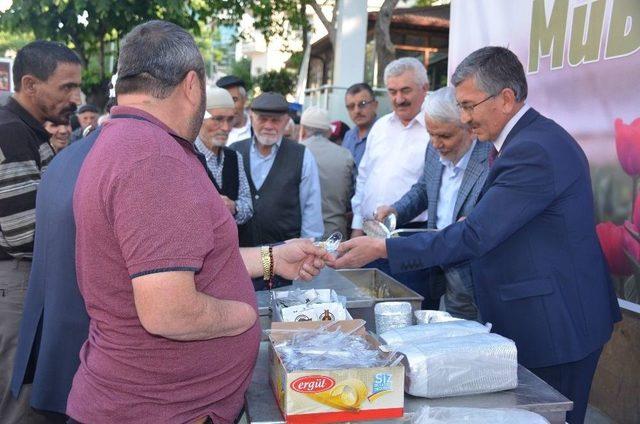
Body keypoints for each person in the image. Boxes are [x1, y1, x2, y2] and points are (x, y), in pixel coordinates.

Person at [332, 46, 621, 424]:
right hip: (543, 316)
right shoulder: (523, 141)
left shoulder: (532, 150)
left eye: (469, 106)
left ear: (505, 98)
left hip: (557, 325)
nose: (465, 119)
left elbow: (476, 235)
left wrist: (383, 247)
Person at [67, 20, 329, 423]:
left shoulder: (130, 142)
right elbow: (169, 311)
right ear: (192, 85)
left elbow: (189, 261)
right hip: (161, 410)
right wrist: (244, 316)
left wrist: (274, 258)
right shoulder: (152, 158)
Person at [0, 40, 81, 424]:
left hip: (27, 282)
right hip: (18, 286)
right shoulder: (12, 133)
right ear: (30, 84)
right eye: (66, 86)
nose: (75, 96)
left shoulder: (26, 130)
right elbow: (25, 234)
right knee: (23, 402)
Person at [374, 87, 491, 318]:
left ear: (470, 130)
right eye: (431, 134)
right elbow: (424, 189)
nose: (436, 143)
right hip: (440, 269)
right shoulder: (434, 148)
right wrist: (396, 210)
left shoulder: (489, 159)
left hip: (476, 276)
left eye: (445, 136)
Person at [10, 128, 101, 422]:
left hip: (58, 319)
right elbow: (21, 232)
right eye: (65, 88)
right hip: (80, 324)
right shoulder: (105, 157)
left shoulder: (67, 157)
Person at [230, 92, 324, 252]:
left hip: (285, 258)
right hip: (241, 257)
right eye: (262, 119)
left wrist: (308, 250)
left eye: (275, 120)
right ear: (252, 118)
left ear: (286, 121)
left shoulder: (302, 156)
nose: (268, 126)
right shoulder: (234, 151)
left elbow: (311, 209)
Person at [350, 58, 430, 238]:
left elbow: (430, 187)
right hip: (369, 230)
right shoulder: (380, 126)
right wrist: (356, 227)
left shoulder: (435, 130)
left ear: (424, 88)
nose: (399, 99)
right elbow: (363, 178)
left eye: (405, 91)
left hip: (412, 233)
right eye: (392, 92)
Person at [195, 86, 253, 225]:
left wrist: (233, 207)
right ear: (199, 118)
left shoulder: (234, 157)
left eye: (230, 120)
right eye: (218, 119)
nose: (226, 127)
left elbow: (248, 208)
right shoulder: (185, 155)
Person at [299, 106, 354, 239]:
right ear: (329, 132)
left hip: (300, 236)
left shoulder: (295, 153)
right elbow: (351, 197)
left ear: (303, 129)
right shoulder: (345, 155)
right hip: (335, 234)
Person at [342, 83, 378, 167]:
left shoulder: (385, 134)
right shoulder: (348, 136)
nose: (357, 111)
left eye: (363, 104)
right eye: (351, 106)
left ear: (375, 105)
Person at [217, 75, 251, 145]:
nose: (229, 106)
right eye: (225, 100)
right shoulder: (212, 130)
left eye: (234, 99)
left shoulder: (256, 128)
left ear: (244, 99)